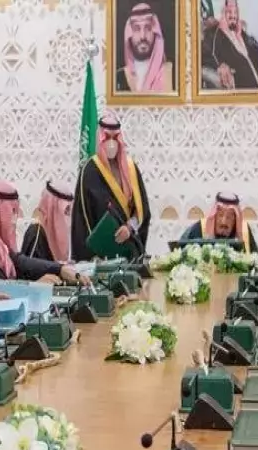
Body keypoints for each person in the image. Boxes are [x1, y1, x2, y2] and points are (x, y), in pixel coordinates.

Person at [72, 116, 151, 261]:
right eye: (107, 137)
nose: (111, 143)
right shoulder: (89, 171)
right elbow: (82, 220)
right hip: (101, 256)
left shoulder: (131, 168)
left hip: (129, 249)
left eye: (115, 138)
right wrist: (93, 255)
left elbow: (142, 210)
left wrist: (129, 227)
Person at [200, 0, 258, 90]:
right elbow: (203, 53)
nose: (233, 16)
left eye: (235, 12)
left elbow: (257, 50)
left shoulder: (242, 34)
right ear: (223, 13)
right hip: (242, 89)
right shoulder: (215, 34)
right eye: (229, 12)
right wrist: (219, 66)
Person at [116, 2, 174, 93]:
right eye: (136, 29)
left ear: (156, 33)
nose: (143, 36)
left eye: (148, 28)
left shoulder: (172, 73)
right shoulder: (119, 77)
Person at [179, 192, 256, 249]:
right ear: (214, 215)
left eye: (229, 217)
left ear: (236, 219)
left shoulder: (244, 230)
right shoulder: (200, 228)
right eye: (220, 215)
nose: (223, 222)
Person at [22, 181, 73, 265]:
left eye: (68, 211)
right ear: (51, 207)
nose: (67, 216)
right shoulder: (36, 233)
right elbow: (33, 270)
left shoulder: (59, 234)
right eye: (65, 210)